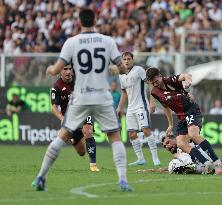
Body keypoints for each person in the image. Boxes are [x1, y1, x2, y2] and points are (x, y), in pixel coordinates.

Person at [32, 9, 132, 192]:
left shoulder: (72, 42)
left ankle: (40, 177)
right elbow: (123, 68)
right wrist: (113, 69)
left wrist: (50, 70)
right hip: (102, 97)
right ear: (95, 20)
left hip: (80, 97)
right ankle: (123, 181)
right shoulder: (108, 41)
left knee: (62, 136)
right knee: (114, 137)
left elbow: (56, 70)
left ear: (79, 22)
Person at [146, 67, 222, 174]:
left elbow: (185, 76)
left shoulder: (169, 80)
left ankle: (217, 162)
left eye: (156, 81)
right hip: (181, 116)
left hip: (191, 109)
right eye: (152, 82)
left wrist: (188, 82)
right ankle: (206, 163)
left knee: (193, 135)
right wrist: (170, 124)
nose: (155, 84)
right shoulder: (155, 92)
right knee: (181, 144)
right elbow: (165, 106)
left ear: (160, 76)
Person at [50, 64, 99, 172]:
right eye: (65, 69)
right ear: (60, 72)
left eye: (70, 69)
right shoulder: (56, 87)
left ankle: (93, 165)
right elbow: (54, 107)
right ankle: (79, 135)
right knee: (81, 152)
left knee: (88, 131)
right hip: (69, 118)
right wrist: (61, 117)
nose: (68, 72)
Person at [117, 52, 160, 166]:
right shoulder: (121, 75)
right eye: (124, 59)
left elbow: (150, 84)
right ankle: (141, 159)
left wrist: (152, 101)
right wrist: (119, 107)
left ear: (133, 60)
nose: (126, 61)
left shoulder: (139, 70)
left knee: (145, 130)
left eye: (129, 59)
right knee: (131, 133)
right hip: (130, 108)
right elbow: (124, 93)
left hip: (141, 105)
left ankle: (155, 158)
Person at [137, 135, 222, 175]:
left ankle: (217, 168)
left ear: (174, 139)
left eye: (168, 143)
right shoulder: (177, 155)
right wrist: (150, 170)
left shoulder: (184, 141)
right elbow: (167, 169)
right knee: (172, 166)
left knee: (173, 165)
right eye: (165, 146)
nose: (167, 147)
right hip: (199, 165)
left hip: (204, 160)